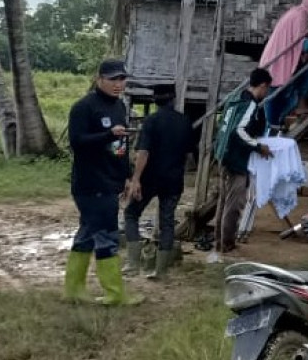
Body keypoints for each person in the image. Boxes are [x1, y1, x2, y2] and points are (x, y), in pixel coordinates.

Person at [62, 59, 141, 305]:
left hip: (111, 181)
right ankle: (114, 294)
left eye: (122, 79)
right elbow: (77, 142)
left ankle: (73, 290)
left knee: (87, 232)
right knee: (107, 235)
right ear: (99, 79)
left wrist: (127, 176)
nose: (119, 84)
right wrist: (108, 134)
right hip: (90, 183)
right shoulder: (84, 107)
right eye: (113, 79)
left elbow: (120, 147)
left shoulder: (119, 107)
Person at [123, 84, 193, 280]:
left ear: (155, 101)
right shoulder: (184, 121)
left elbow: (143, 153)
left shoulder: (151, 121)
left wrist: (136, 179)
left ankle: (133, 264)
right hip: (173, 179)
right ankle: (161, 271)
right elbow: (188, 155)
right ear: (173, 99)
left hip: (150, 178)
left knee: (131, 214)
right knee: (167, 222)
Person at [210, 68, 274, 263]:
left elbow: (224, 126)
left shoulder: (234, 100)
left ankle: (219, 243)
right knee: (235, 203)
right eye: (267, 89)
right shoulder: (249, 105)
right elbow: (239, 131)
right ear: (262, 86)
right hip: (235, 159)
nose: (267, 93)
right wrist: (257, 146)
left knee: (223, 201)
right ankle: (228, 245)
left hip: (223, 154)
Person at [259, 0, 308, 131]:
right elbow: (299, 42)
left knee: (302, 75)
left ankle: (277, 123)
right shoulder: (300, 16)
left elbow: (296, 40)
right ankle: (274, 126)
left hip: (275, 58)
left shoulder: (296, 12)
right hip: (277, 60)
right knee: (276, 97)